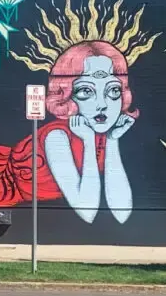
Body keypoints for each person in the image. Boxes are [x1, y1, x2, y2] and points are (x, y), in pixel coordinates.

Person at [41, 41, 136, 224]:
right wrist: (88, 141)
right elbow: (88, 211)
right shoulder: (57, 137)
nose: (102, 104)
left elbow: (122, 213)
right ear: (66, 95)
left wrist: (112, 140)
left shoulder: (102, 133)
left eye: (113, 90)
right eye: (86, 91)